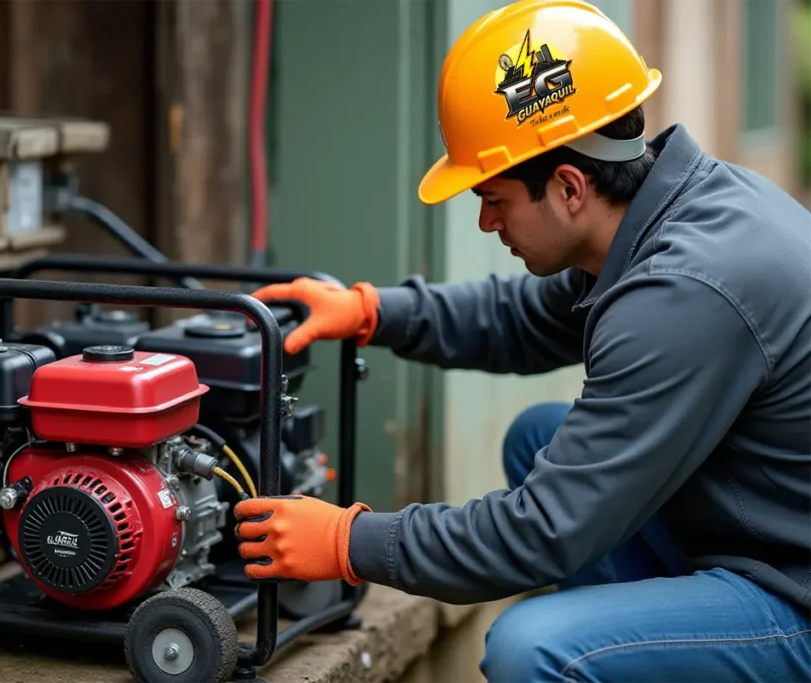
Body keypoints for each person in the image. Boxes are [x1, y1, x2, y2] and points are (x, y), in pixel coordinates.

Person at [232, 0, 811, 680]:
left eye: (495, 197)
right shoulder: (671, 209)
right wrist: (370, 311)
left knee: (532, 646)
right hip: (758, 532)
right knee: (537, 437)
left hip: (792, 593)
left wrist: (347, 540)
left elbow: (543, 530)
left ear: (568, 185)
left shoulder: (685, 293)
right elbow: (523, 318)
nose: (484, 222)